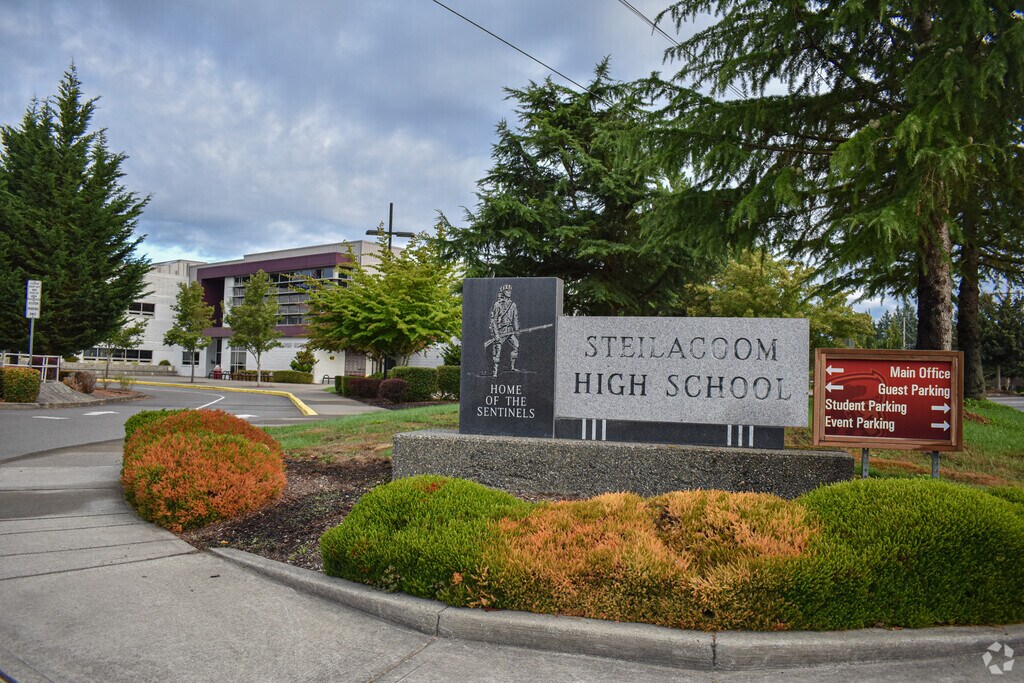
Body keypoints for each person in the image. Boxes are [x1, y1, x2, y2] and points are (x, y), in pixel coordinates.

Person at [489, 284, 519, 377]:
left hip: (509, 330)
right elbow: (493, 320)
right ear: (503, 292)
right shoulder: (497, 304)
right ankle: (495, 372)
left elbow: (515, 318)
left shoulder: (513, 305)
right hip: (501, 331)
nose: (509, 292)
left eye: (510, 291)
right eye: (507, 291)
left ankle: (512, 366)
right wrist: (496, 334)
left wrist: (517, 329)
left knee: (516, 346)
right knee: (498, 351)